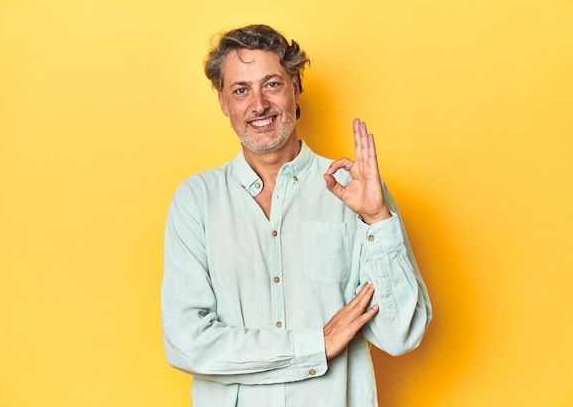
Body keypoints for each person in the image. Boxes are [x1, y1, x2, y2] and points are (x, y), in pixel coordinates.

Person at [161, 24, 432, 407]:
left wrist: (377, 220)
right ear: (223, 102)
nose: (258, 105)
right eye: (241, 90)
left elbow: (401, 334)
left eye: (271, 84)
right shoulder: (196, 201)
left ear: (295, 87)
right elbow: (188, 343)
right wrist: (313, 346)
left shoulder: (356, 191)